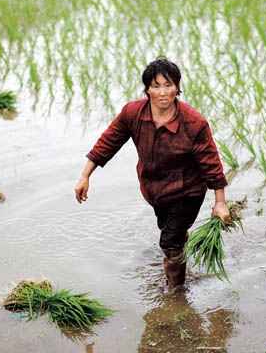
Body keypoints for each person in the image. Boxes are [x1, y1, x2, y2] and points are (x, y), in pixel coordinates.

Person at [74, 57, 231, 290]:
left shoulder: (194, 123)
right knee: (170, 232)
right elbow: (108, 142)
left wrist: (220, 203)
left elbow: (211, 163)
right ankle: (179, 242)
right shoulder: (133, 113)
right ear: (147, 89)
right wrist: (85, 175)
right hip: (154, 191)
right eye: (156, 86)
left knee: (168, 243)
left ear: (177, 87)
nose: (163, 92)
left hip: (187, 191)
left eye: (168, 85)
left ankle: (175, 292)